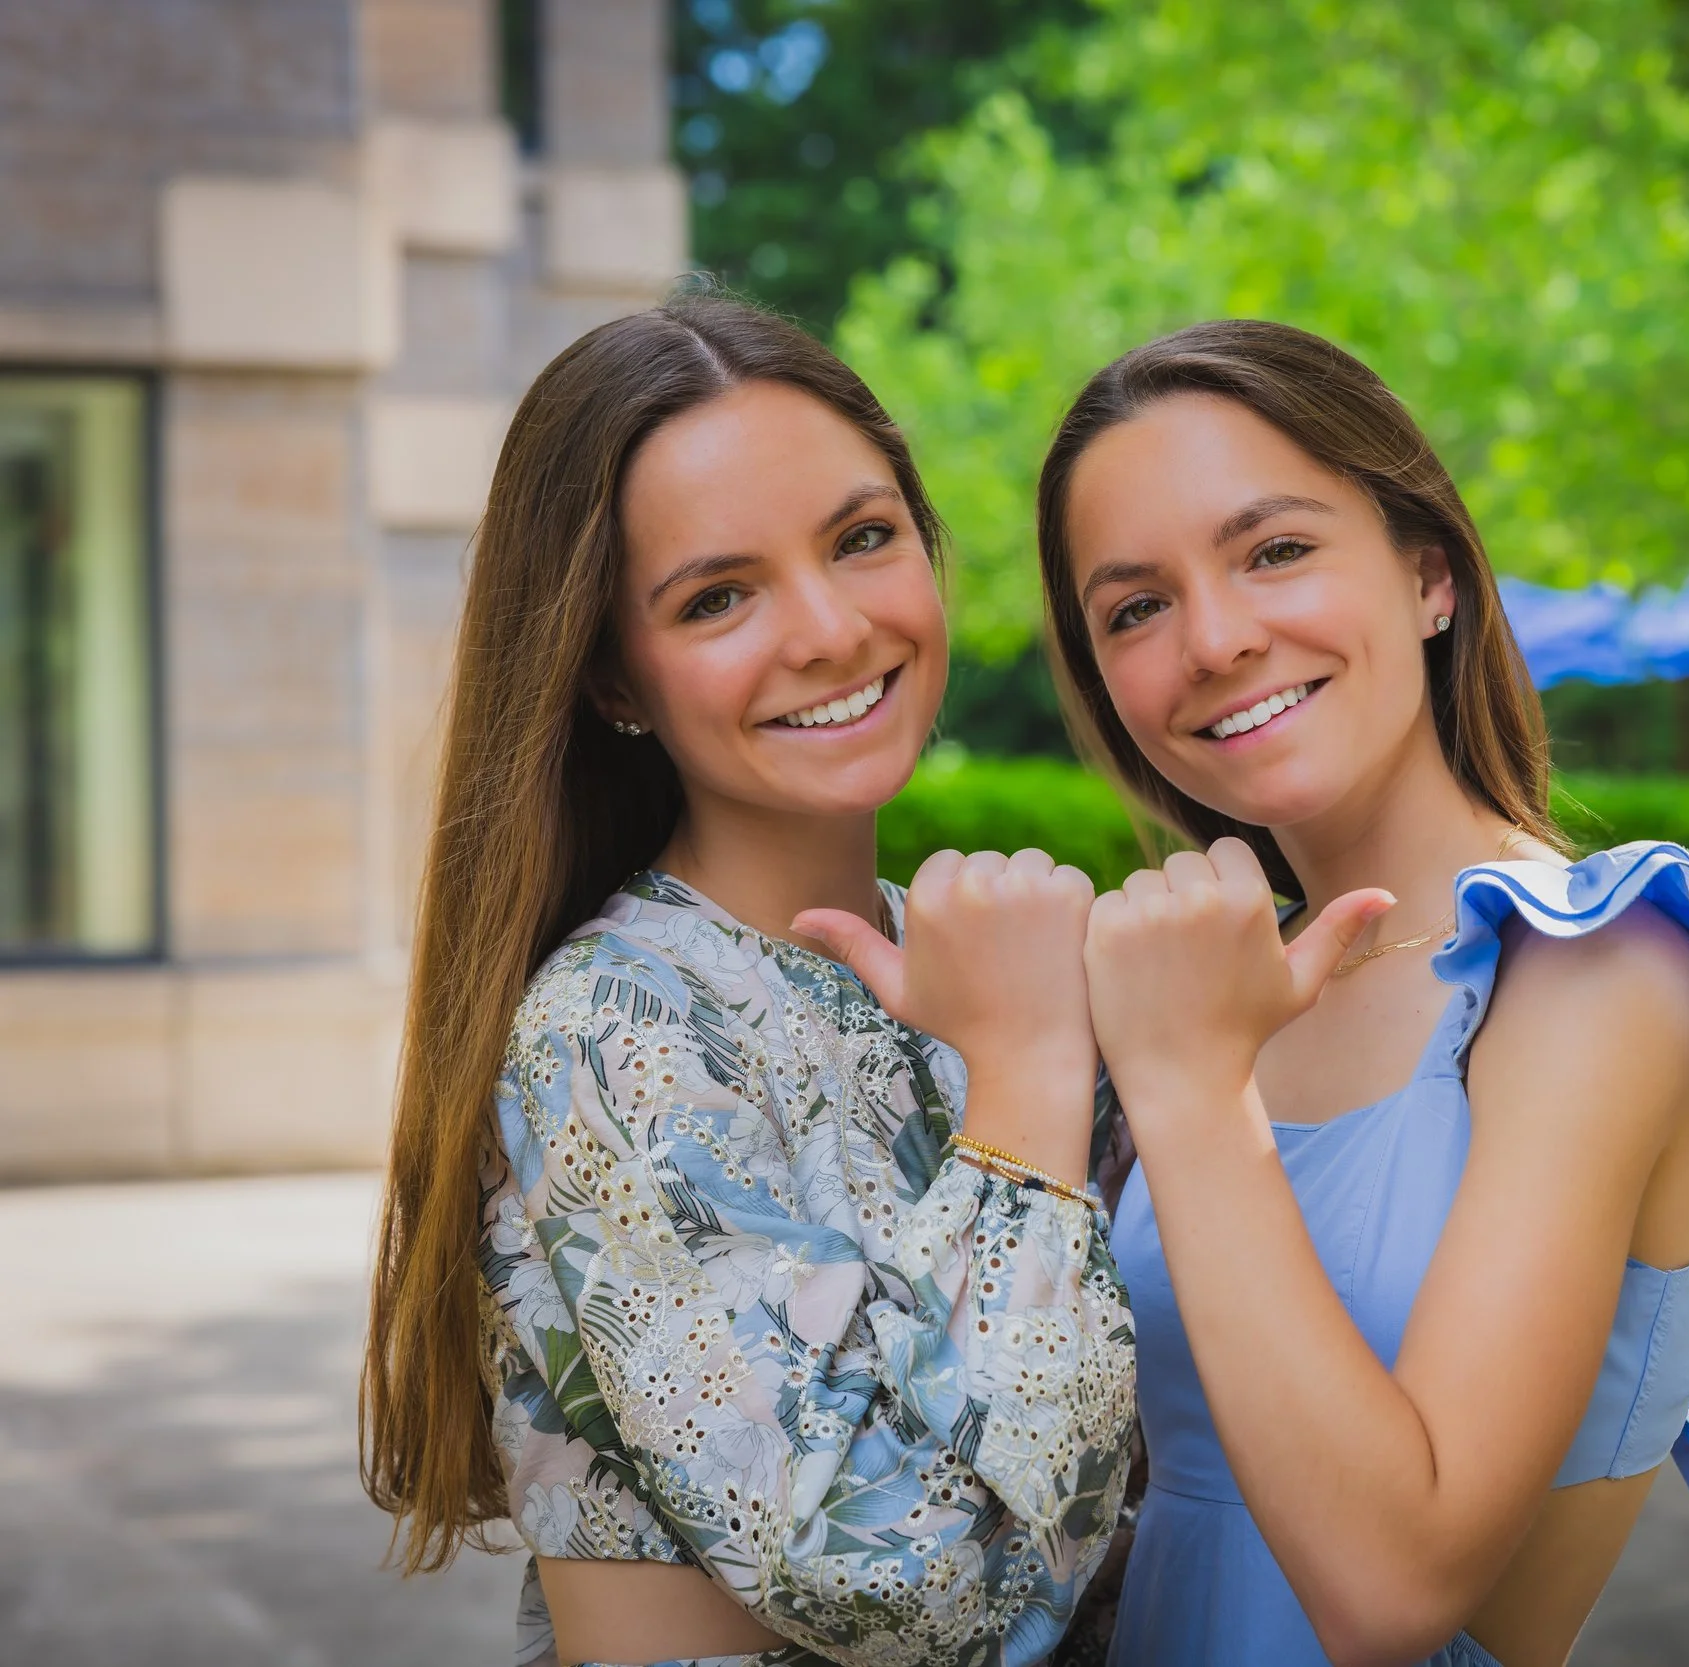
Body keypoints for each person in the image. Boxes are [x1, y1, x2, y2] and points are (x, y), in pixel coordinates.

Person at [1023, 320, 1689, 1666]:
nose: (1212, 638)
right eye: (1135, 607)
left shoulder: (1594, 968)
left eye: (1274, 550)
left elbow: (1389, 1589)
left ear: (1429, 577)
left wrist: (1191, 1089)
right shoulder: (1224, 990)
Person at [360, 293, 1136, 1667]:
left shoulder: (974, 972)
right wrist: (1027, 1083)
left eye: (863, 538)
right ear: (612, 674)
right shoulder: (617, 1025)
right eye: (719, 595)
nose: (831, 628)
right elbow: (912, 1593)